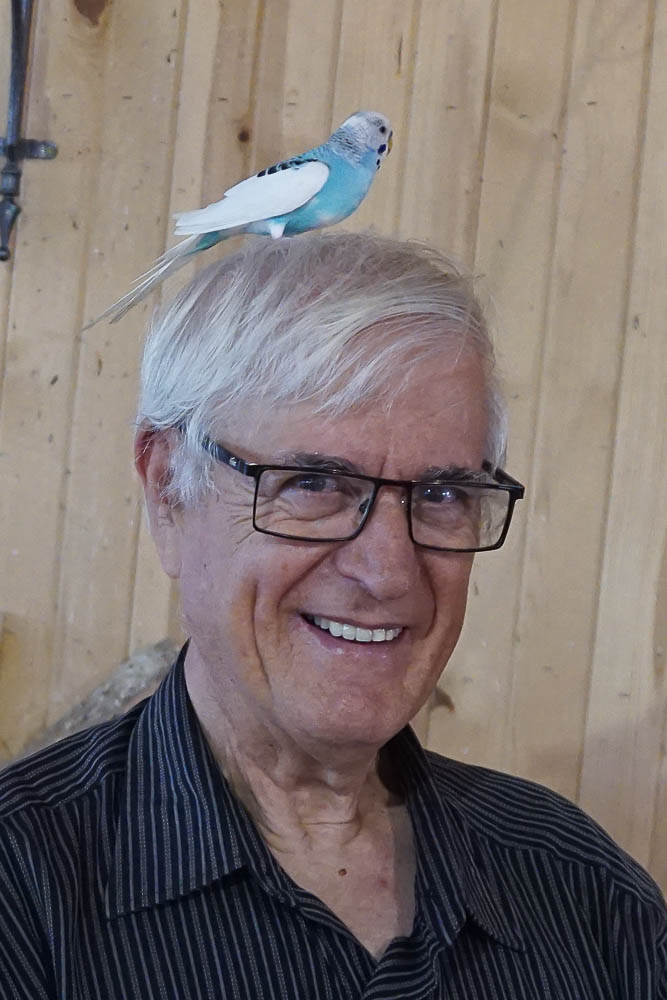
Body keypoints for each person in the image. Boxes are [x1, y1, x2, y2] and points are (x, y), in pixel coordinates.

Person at [0, 232, 664, 999]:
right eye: (313, 483)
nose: (386, 571)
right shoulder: (24, 885)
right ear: (167, 491)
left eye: (441, 494)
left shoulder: (580, 887)